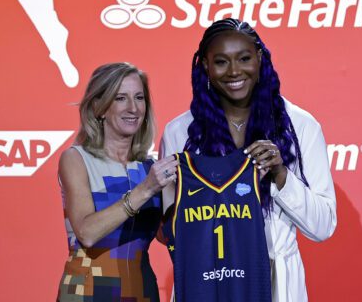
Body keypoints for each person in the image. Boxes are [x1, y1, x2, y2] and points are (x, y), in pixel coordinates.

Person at [161, 19, 337, 302]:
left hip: (276, 282)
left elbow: (322, 226)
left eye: (244, 58)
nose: (234, 71)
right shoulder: (180, 131)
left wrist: (280, 175)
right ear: (205, 66)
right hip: (207, 281)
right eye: (221, 61)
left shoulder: (301, 126)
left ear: (260, 59)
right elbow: (171, 231)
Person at [57, 62, 178, 302]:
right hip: (87, 292)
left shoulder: (148, 167)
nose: (133, 108)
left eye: (139, 98)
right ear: (99, 107)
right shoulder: (76, 158)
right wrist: (145, 189)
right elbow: (87, 233)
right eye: (121, 98)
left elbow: (166, 237)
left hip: (142, 291)